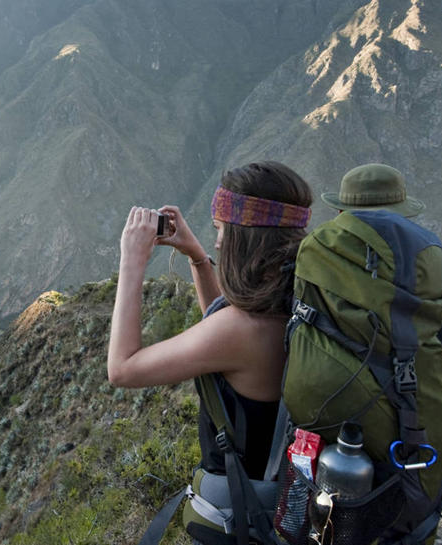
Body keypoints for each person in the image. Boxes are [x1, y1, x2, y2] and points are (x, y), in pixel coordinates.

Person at [107, 161, 313, 541]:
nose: (217, 241)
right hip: (278, 501)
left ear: (245, 237)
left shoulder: (242, 330)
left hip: (241, 516)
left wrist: (131, 261)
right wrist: (197, 257)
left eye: (221, 231)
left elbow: (123, 368)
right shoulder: (295, 301)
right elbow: (219, 323)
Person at [320, 163, 442, 371]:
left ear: (339, 213)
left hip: (327, 392)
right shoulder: (436, 278)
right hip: (416, 394)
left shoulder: (313, 272)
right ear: (403, 218)